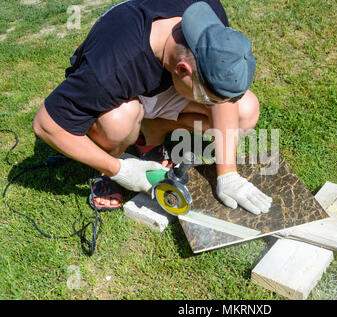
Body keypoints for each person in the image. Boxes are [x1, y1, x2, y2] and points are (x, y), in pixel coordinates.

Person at [33, 0, 272, 215]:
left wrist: (228, 174)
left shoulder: (208, 18)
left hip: (164, 85)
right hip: (121, 94)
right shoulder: (111, 67)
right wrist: (120, 169)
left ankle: (151, 128)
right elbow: (46, 125)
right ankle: (109, 160)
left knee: (245, 110)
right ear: (182, 70)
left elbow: (221, 93)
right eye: (207, 98)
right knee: (117, 124)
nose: (210, 105)